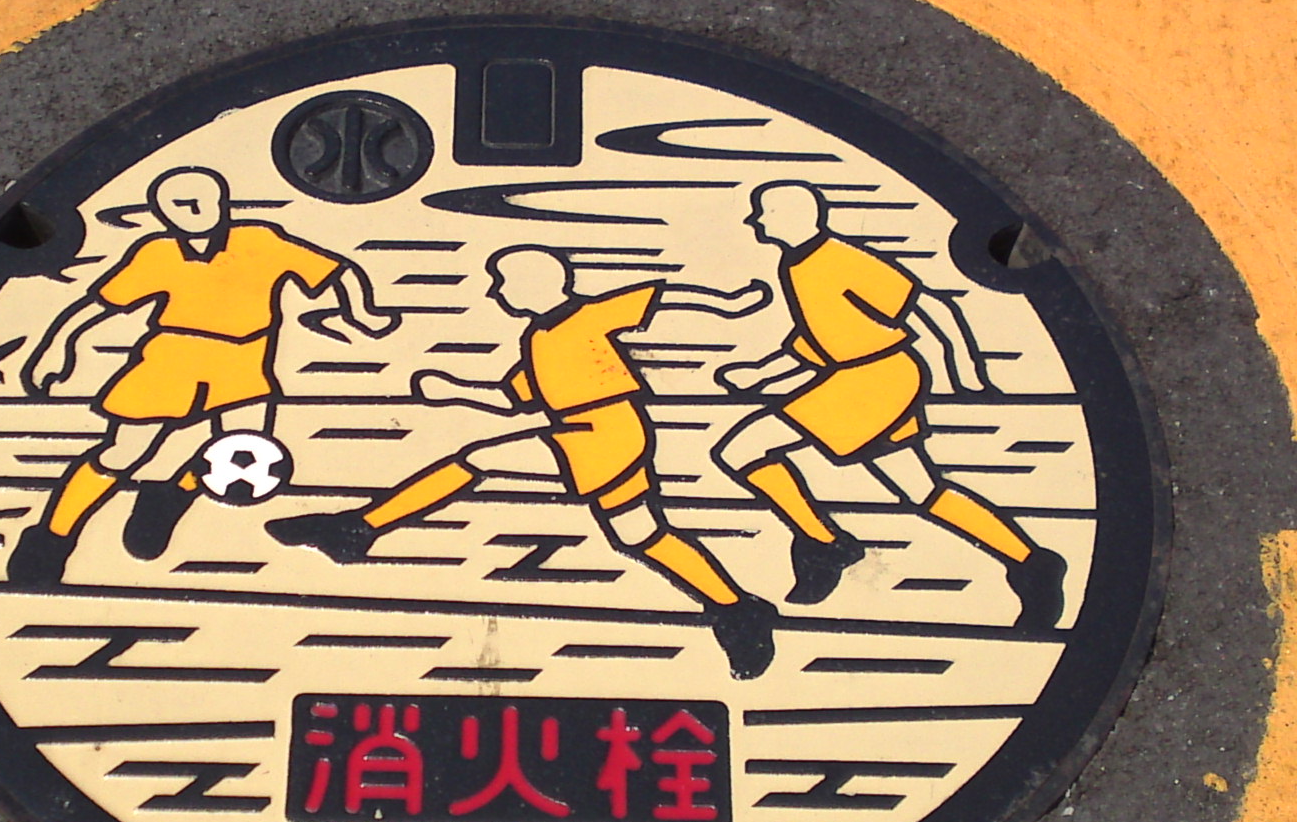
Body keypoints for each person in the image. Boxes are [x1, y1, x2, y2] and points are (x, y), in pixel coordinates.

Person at [266, 245, 783, 679]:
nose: (496, 292)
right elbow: (510, 398)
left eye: (503, 282)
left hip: (602, 433)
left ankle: (357, 528)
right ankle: (737, 608)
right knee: (641, 535)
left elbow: (661, 296)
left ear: (537, 284)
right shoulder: (538, 338)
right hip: (600, 434)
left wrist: (729, 303)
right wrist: (455, 390)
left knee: (479, 460)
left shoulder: (586, 317)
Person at [10, 165, 395, 584]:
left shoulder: (258, 241)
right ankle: (52, 537)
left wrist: (362, 313)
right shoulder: (157, 253)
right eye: (180, 204)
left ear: (220, 202)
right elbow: (100, 305)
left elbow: (336, 269)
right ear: (163, 212)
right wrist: (57, 346)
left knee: (239, 450)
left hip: (243, 362)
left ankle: (172, 494)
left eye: (203, 201)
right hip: (172, 358)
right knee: (123, 452)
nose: (194, 211)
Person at [710, 181, 1065, 628]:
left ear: (795, 217)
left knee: (744, 449)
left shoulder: (840, 259)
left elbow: (930, 307)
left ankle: (824, 543)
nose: (756, 220)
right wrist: (761, 373)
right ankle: (1031, 562)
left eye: (765, 212)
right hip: (863, 378)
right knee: (923, 491)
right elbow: (822, 336)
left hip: (873, 380)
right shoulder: (798, 263)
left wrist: (967, 375)